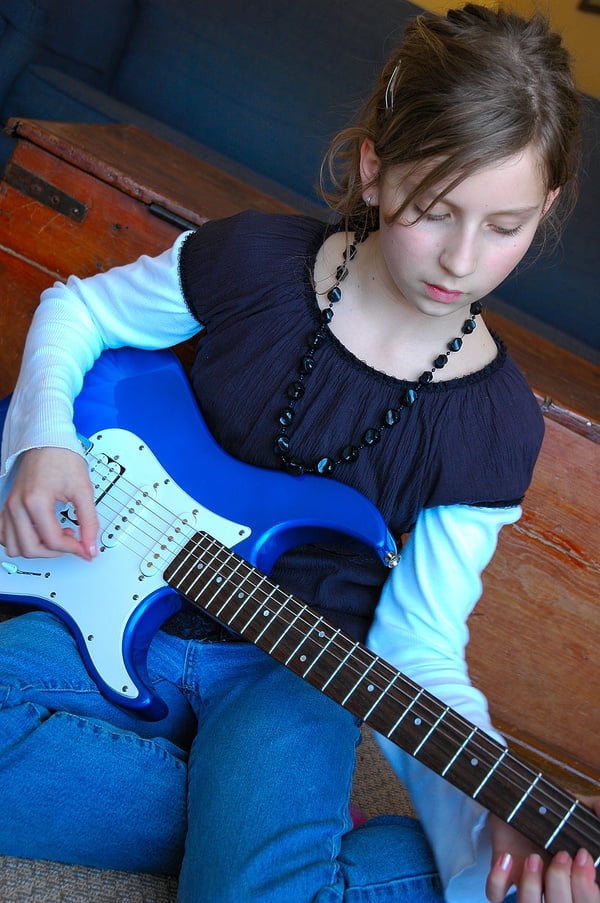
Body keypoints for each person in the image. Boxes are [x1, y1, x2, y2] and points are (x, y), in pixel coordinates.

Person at [0, 3, 596, 901]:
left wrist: (486, 803)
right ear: (374, 166)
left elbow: (419, 642)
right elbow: (78, 311)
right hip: (114, 582)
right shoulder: (252, 261)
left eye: (504, 228)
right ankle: (275, 844)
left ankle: (272, 842)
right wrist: (43, 441)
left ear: (545, 208)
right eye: (434, 211)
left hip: (292, 675)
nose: (462, 260)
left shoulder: (494, 425)